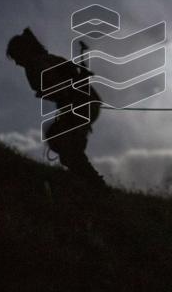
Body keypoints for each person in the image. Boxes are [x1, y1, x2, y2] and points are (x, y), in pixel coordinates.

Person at [6, 27, 107, 189]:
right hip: (85, 103)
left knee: (67, 149)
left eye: (16, 57)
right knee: (66, 146)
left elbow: (57, 85)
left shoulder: (36, 64)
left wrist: (62, 98)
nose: (17, 62)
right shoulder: (44, 59)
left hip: (80, 104)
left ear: (22, 51)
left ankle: (95, 187)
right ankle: (89, 184)